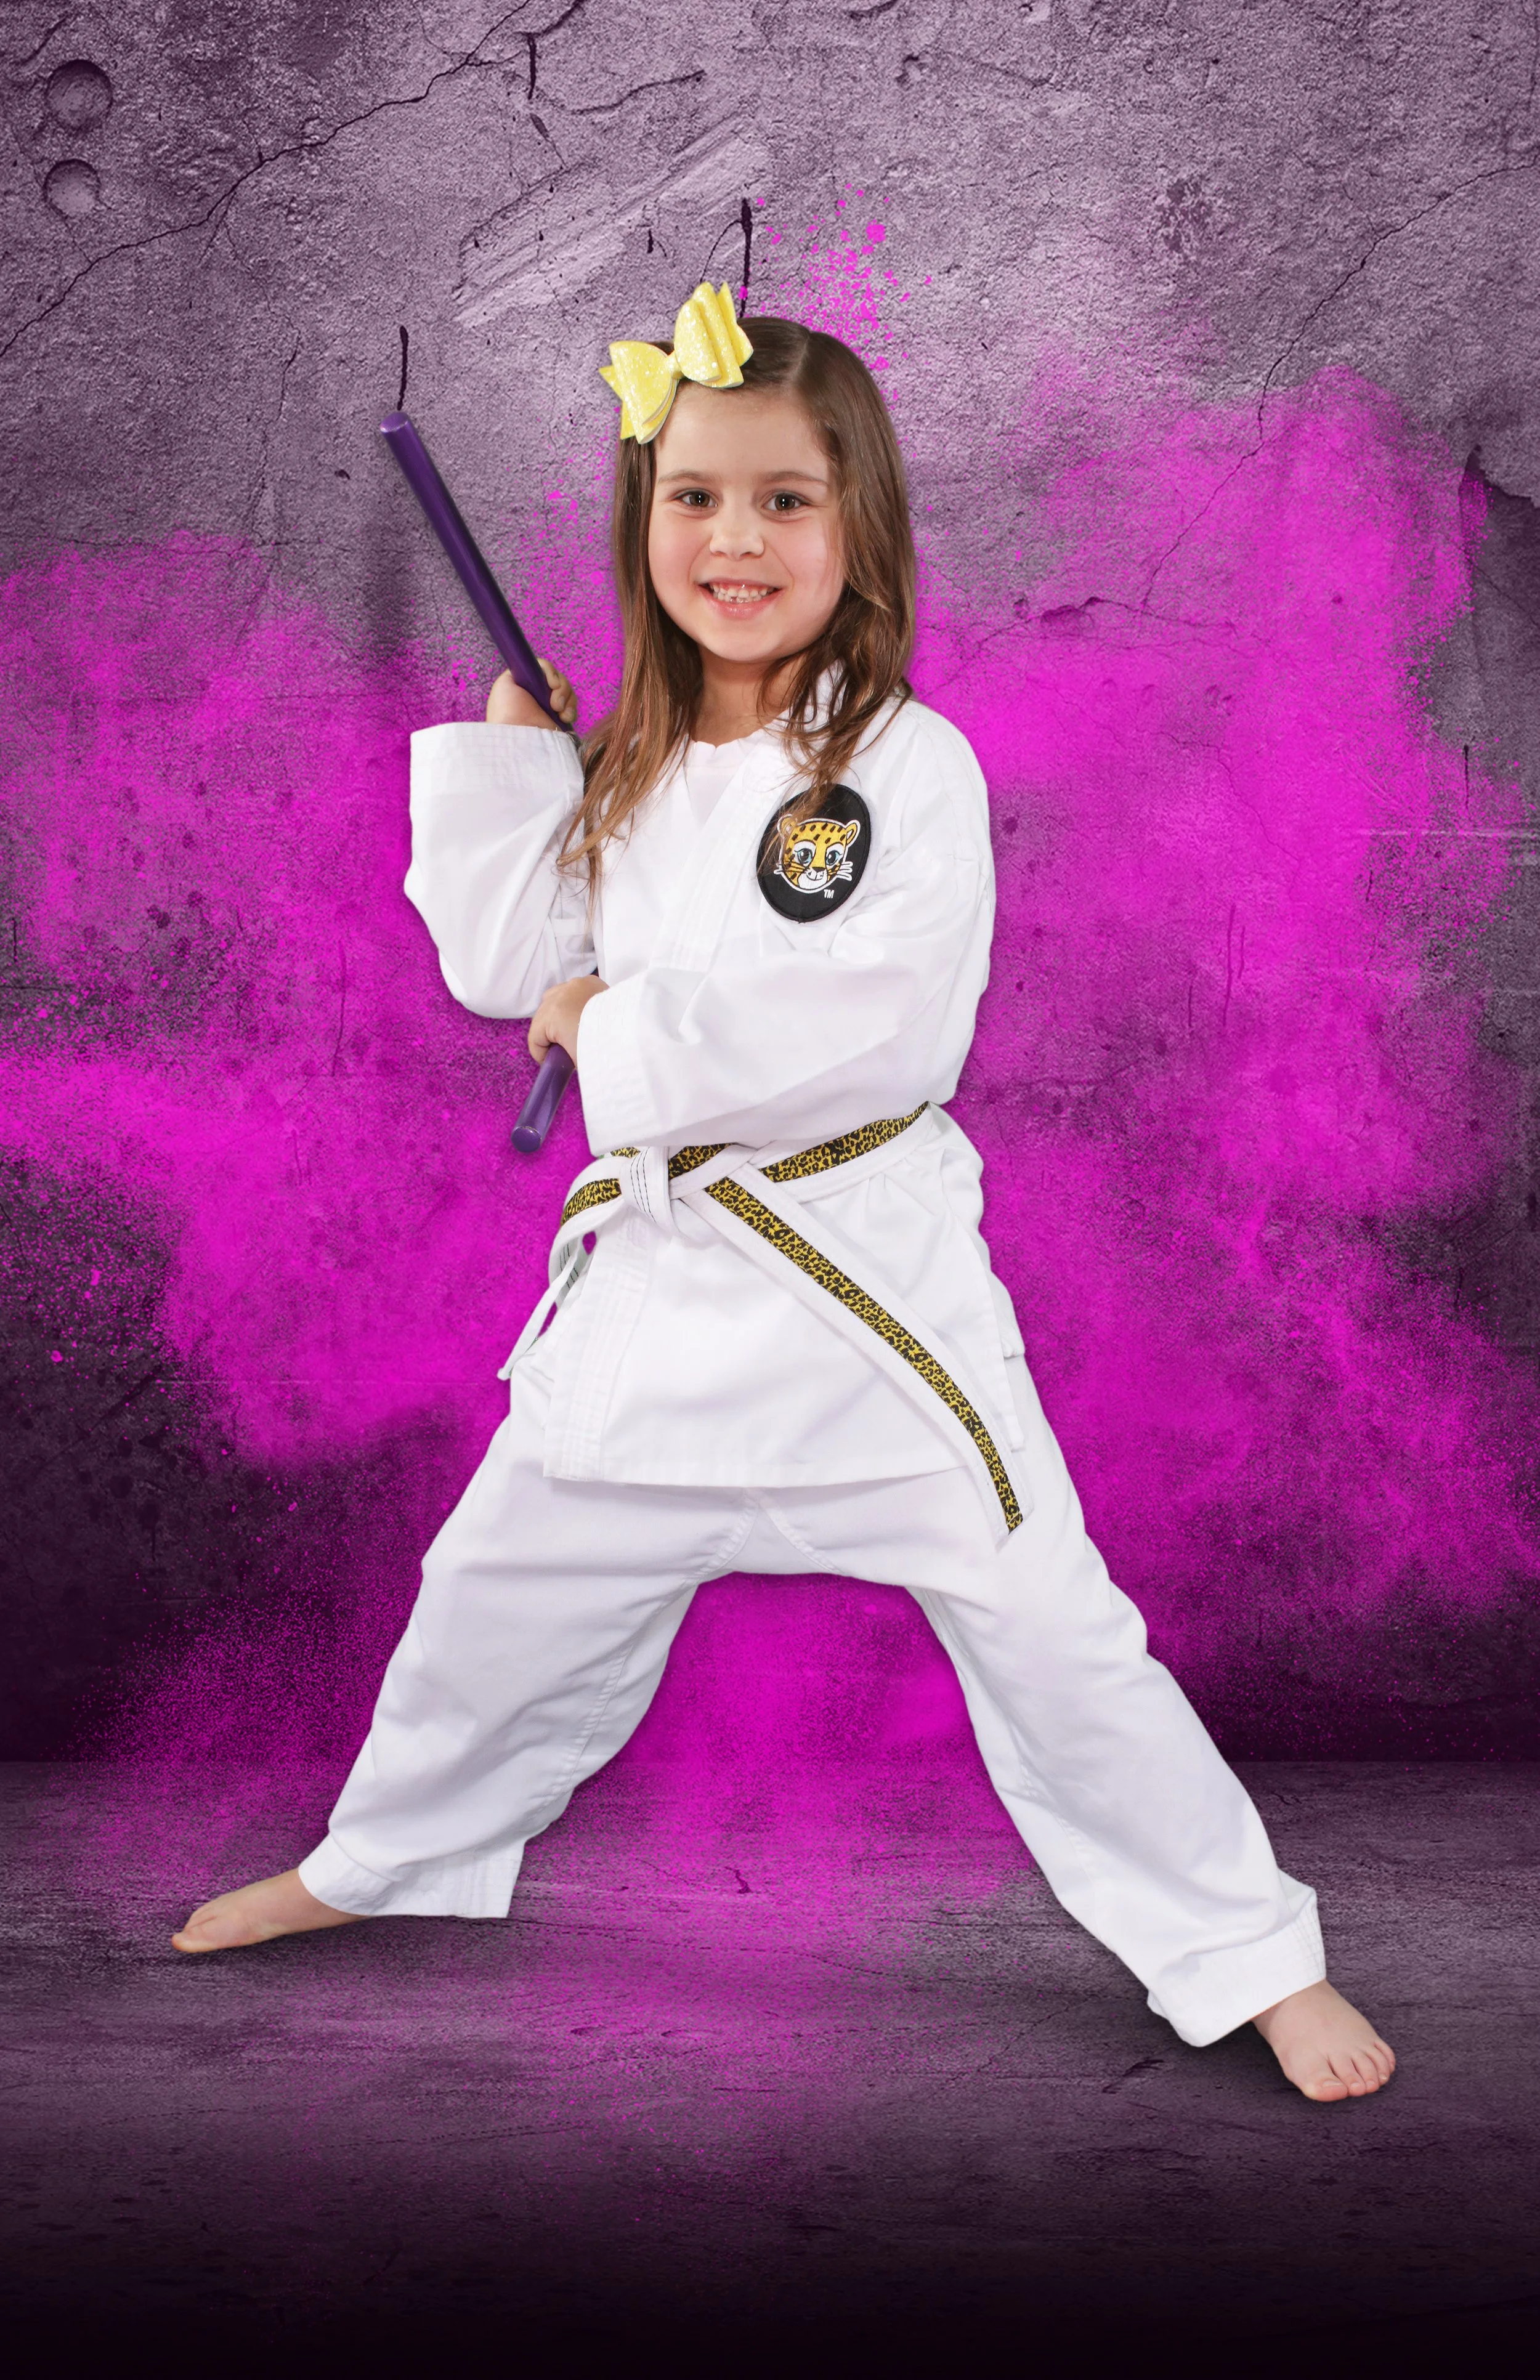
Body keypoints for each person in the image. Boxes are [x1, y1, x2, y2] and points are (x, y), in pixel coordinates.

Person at [174, 286, 1393, 2103]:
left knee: (1054, 1635)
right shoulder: (634, 768)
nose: (732, 542)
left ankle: (1242, 1955)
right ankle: (386, 1863)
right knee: (489, 1594)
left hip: (854, 1292)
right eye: (692, 500)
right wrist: (520, 765)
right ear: (639, 523)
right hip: (660, 1295)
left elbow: (866, 1022)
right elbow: (504, 963)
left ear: (859, 530)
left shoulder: (896, 767)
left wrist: (605, 1025)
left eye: (783, 503)